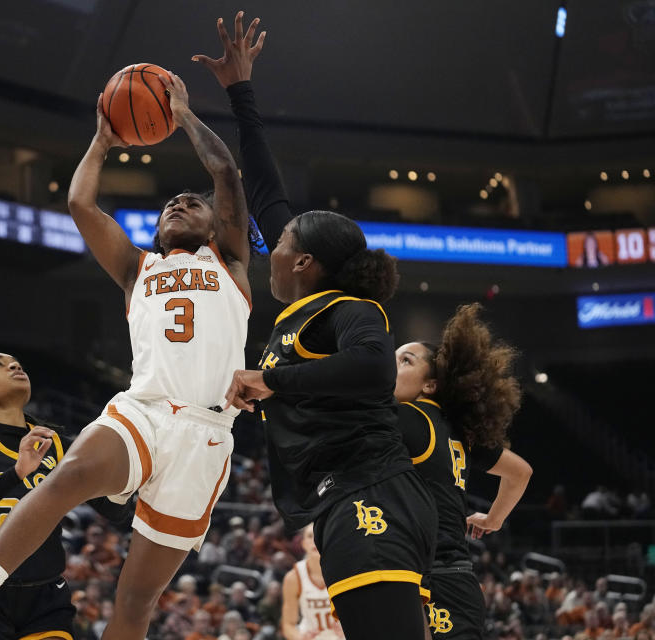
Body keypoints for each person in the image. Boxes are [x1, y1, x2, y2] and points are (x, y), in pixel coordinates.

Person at [0, 69, 254, 640]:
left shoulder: (232, 262)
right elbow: (79, 201)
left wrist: (183, 114)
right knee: (68, 474)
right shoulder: (135, 268)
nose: (178, 203)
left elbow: (224, 172)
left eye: (190, 203)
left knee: (135, 599)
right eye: (170, 203)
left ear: (215, 224)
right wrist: (102, 140)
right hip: (144, 411)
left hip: (207, 434)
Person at [202, 13, 436, 640]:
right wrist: (238, 93)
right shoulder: (304, 304)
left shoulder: (350, 311)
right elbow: (265, 185)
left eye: (277, 239)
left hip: (372, 491)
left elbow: (371, 369)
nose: (267, 241)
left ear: (303, 262)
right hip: (344, 497)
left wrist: (277, 382)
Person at [0, 351, 132, 640]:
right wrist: (15, 474)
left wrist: (126, 475)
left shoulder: (57, 445)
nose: (15, 366)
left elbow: (116, 512)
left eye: (16, 363)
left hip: (45, 598)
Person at [393, 303, 533, 639]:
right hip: (453, 577)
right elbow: (521, 472)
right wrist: (493, 520)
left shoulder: (411, 417)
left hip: (436, 577)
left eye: (405, 360)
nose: (391, 365)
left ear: (429, 386)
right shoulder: (457, 430)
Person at [281, 527, 344, 640]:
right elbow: (288, 625)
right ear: (303, 543)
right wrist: (300, 638)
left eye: (319, 535)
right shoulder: (294, 577)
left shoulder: (345, 571)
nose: (315, 540)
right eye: (310, 536)